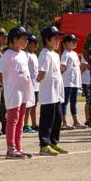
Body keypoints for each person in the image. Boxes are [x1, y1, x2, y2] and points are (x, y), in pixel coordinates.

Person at [0, 27, 35, 157]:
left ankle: (18, 146)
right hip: (13, 91)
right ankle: (11, 148)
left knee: (21, 119)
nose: (26, 41)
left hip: (24, 90)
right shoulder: (8, 55)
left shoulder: (23, 54)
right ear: (14, 40)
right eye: (23, 39)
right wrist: (5, 83)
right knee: (13, 118)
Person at [36, 26, 67, 155]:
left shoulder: (55, 54)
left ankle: (54, 142)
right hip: (48, 92)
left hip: (56, 93)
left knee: (57, 118)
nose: (58, 41)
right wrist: (38, 80)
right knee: (47, 119)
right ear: (47, 40)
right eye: (55, 38)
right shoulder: (44, 54)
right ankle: (44, 145)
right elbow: (41, 72)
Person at [62, 33, 83, 129]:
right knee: (65, 102)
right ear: (66, 43)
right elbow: (62, 67)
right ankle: (64, 122)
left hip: (75, 82)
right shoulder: (65, 54)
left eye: (75, 41)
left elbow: (78, 68)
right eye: (72, 41)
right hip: (67, 82)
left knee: (74, 102)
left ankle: (75, 121)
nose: (75, 43)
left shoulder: (74, 54)